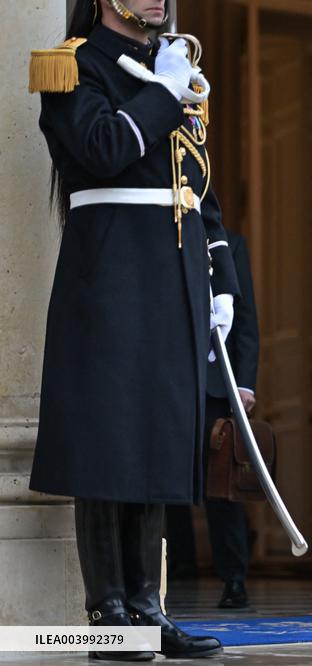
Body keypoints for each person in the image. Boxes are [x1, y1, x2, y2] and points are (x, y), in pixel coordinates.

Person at [28, 0, 239, 659]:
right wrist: (163, 93)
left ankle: (149, 609)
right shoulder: (74, 67)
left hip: (173, 274)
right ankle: (110, 617)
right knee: (107, 443)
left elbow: (196, 186)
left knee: (158, 443)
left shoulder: (171, 67)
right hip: (110, 274)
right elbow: (104, 149)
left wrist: (221, 280)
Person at [166, 230, 259, 610]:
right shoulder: (161, 232)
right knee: (165, 484)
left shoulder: (231, 244)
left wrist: (245, 383)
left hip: (218, 386)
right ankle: (172, 568)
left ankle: (234, 579)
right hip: (170, 381)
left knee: (222, 490)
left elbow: (247, 318)